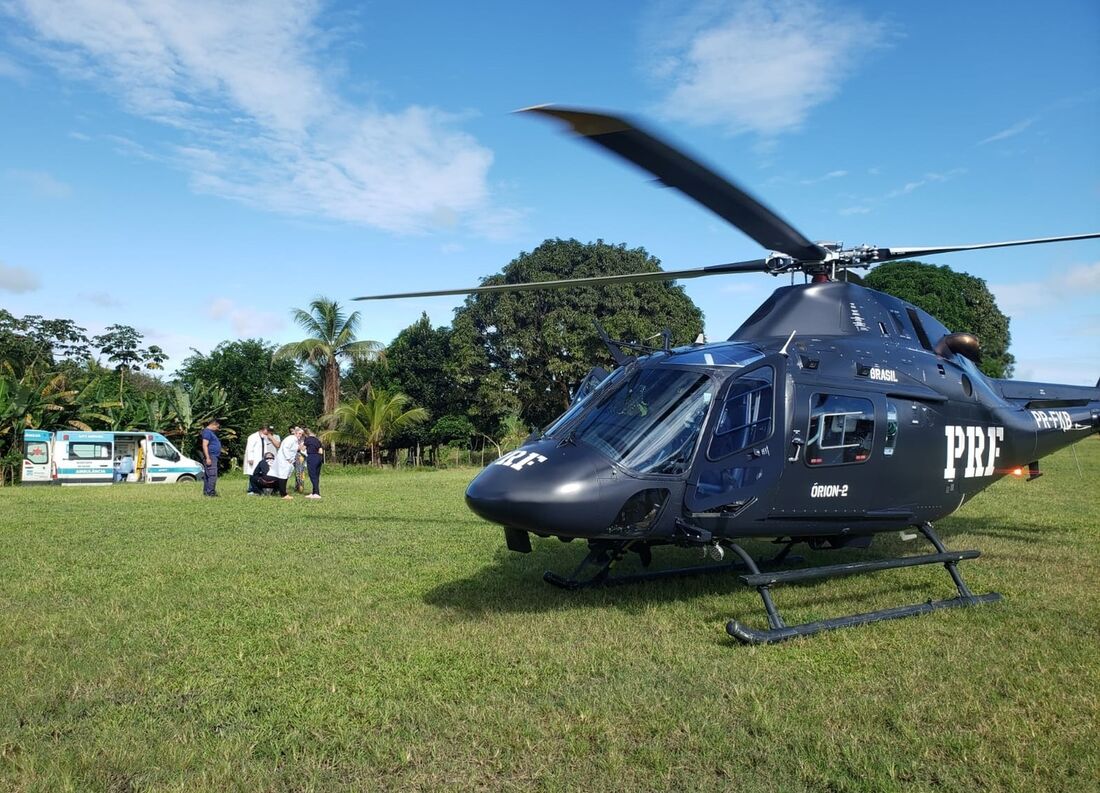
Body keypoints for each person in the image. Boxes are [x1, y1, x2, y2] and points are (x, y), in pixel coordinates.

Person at [244, 425, 281, 494]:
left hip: (261, 459)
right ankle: (251, 489)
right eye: (267, 431)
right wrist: (250, 458)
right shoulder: (253, 437)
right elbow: (250, 448)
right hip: (254, 459)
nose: (268, 433)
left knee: (259, 474)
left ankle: (259, 489)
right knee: (252, 473)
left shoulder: (263, 437)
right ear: (263, 430)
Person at [271, 426, 302, 501]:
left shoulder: (294, 439)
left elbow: (294, 449)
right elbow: (285, 448)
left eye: (301, 434)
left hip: (287, 460)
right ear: (295, 433)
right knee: (283, 476)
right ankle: (283, 494)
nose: (300, 435)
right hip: (285, 460)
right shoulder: (291, 439)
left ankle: (276, 491)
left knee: (283, 476)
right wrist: (288, 458)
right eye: (299, 433)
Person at [200, 418, 222, 497]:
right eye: (217, 427)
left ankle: (206, 491)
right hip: (211, 456)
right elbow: (205, 445)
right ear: (213, 424)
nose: (217, 429)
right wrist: (208, 457)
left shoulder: (209, 432)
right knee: (212, 475)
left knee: (208, 475)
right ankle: (210, 492)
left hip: (213, 456)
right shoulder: (207, 432)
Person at [302, 428, 324, 499]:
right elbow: (321, 451)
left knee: (312, 476)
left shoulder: (307, 439)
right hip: (319, 457)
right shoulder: (317, 440)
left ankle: (317, 493)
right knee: (316, 476)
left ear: (305, 434)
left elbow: (303, 449)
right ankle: (314, 492)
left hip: (312, 457)